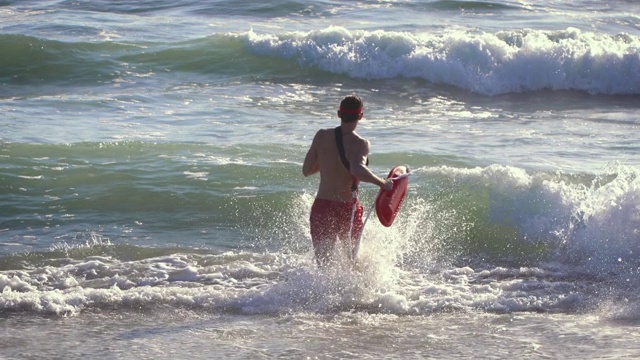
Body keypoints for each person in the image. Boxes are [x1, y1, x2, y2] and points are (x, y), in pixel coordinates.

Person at [302, 95, 393, 266]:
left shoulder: (321, 136)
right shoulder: (360, 143)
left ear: (338, 114)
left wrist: (327, 160)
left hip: (322, 206)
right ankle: (353, 293)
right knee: (351, 262)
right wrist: (383, 183)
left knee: (323, 264)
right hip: (346, 209)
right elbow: (357, 169)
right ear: (360, 116)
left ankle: (321, 293)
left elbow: (306, 171)